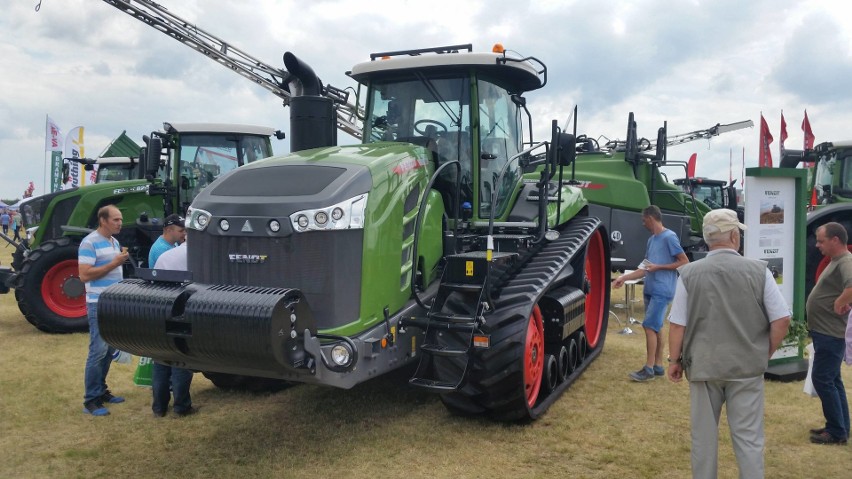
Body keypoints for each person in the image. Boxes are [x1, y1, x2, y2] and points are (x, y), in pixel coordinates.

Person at [668, 209, 791, 478]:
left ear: (707, 238)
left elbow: (678, 323)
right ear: (735, 236)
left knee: (703, 438)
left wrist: (673, 361)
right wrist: (764, 352)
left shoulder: (689, 273)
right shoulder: (758, 270)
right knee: (748, 440)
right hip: (746, 367)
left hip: (703, 365)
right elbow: (781, 319)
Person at [612, 205, 689, 381]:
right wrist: (624, 278)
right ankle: (658, 366)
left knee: (649, 326)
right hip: (650, 289)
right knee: (656, 327)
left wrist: (659, 267)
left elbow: (684, 261)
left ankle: (648, 369)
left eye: (643, 220)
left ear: (651, 218)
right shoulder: (651, 240)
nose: (642, 223)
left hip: (662, 290)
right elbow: (646, 266)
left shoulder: (669, 237)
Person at [78, 205, 129, 416]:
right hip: (98, 303)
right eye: (116, 219)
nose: (120, 223)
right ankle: (91, 400)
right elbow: (84, 275)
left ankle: (101, 390)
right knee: (97, 351)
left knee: (109, 350)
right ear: (103, 221)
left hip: (112, 302)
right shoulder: (89, 242)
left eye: (120, 219)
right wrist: (115, 262)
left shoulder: (113, 241)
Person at [805, 221, 852, 445]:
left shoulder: (846, 261)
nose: (817, 245)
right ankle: (840, 427)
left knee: (823, 379)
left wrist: (841, 301)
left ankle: (836, 432)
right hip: (827, 332)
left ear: (835, 240)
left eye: (821, 241)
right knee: (833, 379)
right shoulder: (837, 261)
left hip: (830, 333)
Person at [151, 242, 196, 417]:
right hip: (181, 308)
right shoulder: (195, 254)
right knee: (181, 357)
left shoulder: (166, 256)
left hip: (160, 306)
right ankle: (181, 406)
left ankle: (159, 408)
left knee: (161, 358)